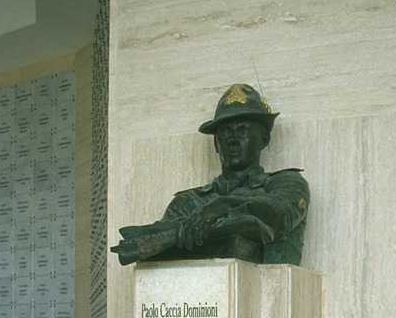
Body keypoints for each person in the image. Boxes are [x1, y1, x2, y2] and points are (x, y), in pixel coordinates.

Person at [110, 83, 309, 266]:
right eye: (225, 132)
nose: (233, 139)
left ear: (264, 139)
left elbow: (281, 216)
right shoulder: (188, 202)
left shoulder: (286, 183)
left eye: (243, 130)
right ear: (215, 143)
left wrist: (224, 205)